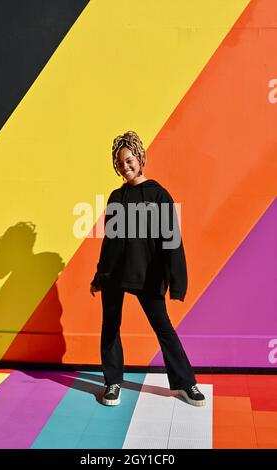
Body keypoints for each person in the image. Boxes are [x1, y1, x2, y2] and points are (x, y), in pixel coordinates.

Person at [90, 130, 205, 407]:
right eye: (120, 164)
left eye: (129, 160)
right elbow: (110, 242)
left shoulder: (159, 195)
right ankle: (113, 382)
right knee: (110, 326)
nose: (125, 167)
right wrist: (99, 276)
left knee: (163, 327)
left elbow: (172, 241)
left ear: (140, 158)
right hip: (115, 274)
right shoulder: (116, 197)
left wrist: (177, 282)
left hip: (146, 275)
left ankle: (185, 384)